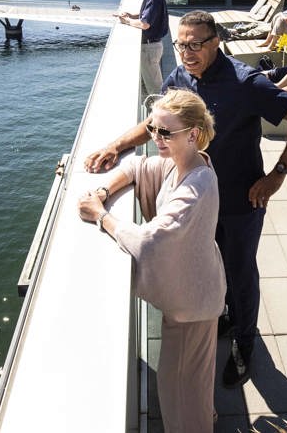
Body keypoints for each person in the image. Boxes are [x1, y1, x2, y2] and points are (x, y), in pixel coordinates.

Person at [83, 11, 287, 389]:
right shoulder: (182, 77)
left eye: (196, 44)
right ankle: (227, 315)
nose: (187, 52)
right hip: (198, 197)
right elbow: (155, 123)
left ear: (216, 42)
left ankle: (245, 345)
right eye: (181, 44)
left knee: (241, 272)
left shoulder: (246, 83)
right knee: (212, 263)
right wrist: (115, 145)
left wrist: (277, 175)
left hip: (242, 201)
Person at [77, 89, 225, 431]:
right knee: (195, 379)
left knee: (176, 391)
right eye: (153, 128)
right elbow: (136, 167)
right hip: (201, 292)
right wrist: (103, 190)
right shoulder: (185, 163)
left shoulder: (194, 187)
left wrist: (102, 217)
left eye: (164, 132)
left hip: (192, 307)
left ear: (193, 134)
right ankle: (205, 414)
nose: (155, 138)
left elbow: (150, 242)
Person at [117, 0, 169, 95]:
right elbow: (147, 16)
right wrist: (132, 15)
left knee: (155, 88)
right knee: (153, 84)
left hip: (150, 48)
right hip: (152, 46)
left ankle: (160, 113)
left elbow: (144, 24)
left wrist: (127, 21)